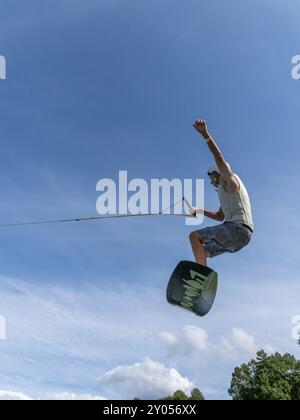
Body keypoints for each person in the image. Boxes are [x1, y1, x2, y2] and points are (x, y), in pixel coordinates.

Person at [189, 119, 254, 266]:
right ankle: (203, 283)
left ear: (216, 174)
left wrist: (205, 133)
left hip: (236, 230)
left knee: (194, 236)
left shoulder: (228, 180)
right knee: (203, 250)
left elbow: (218, 157)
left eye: (211, 177)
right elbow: (220, 216)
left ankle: (200, 275)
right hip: (241, 237)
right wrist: (200, 211)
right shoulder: (225, 193)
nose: (211, 181)